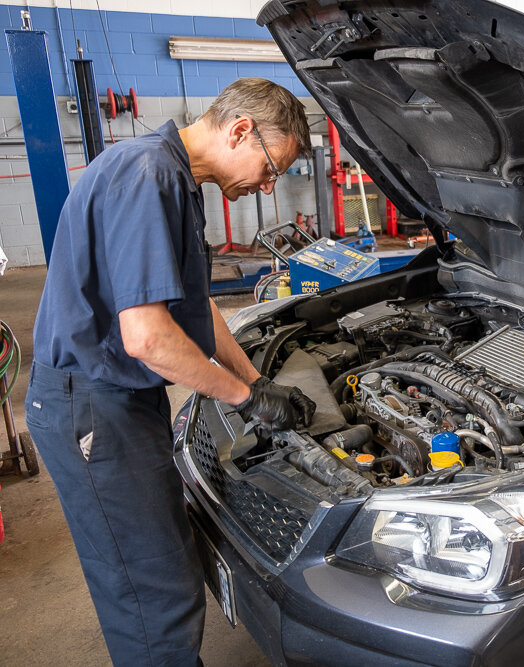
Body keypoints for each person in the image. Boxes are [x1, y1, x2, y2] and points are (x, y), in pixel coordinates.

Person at [24, 78, 316, 666]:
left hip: (114, 400)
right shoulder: (148, 177)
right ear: (241, 131)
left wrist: (255, 381)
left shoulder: (168, 176)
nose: (267, 186)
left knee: (165, 564)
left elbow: (194, 305)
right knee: (152, 592)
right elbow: (149, 338)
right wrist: (243, 399)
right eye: (270, 169)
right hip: (94, 407)